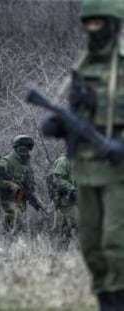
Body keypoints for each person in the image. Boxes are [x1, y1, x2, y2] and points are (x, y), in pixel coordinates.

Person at [42, 1, 124, 307]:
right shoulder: (82, 66)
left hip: (119, 172)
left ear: (112, 24)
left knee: (115, 243)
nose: (92, 30)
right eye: (88, 24)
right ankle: (107, 299)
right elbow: (75, 113)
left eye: (98, 23)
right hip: (86, 171)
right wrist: (58, 125)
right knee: (91, 246)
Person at [0, 135, 44, 234]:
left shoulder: (27, 162)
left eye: (28, 146)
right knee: (20, 226)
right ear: (18, 146)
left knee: (11, 228)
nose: (26, 149)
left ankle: (8, 245)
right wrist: (9, 184)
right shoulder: (7, 160)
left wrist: (36, 195)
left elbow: (31, 182)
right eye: (24, 146)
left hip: (21, 201)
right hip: (7, 201)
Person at [47, 155, 78, 242]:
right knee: (76, 221)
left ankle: (62, 247)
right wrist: (72, 188)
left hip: (75, 197)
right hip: (64, 198)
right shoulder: (63, 161)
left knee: (68, 224)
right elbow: (57, 180)